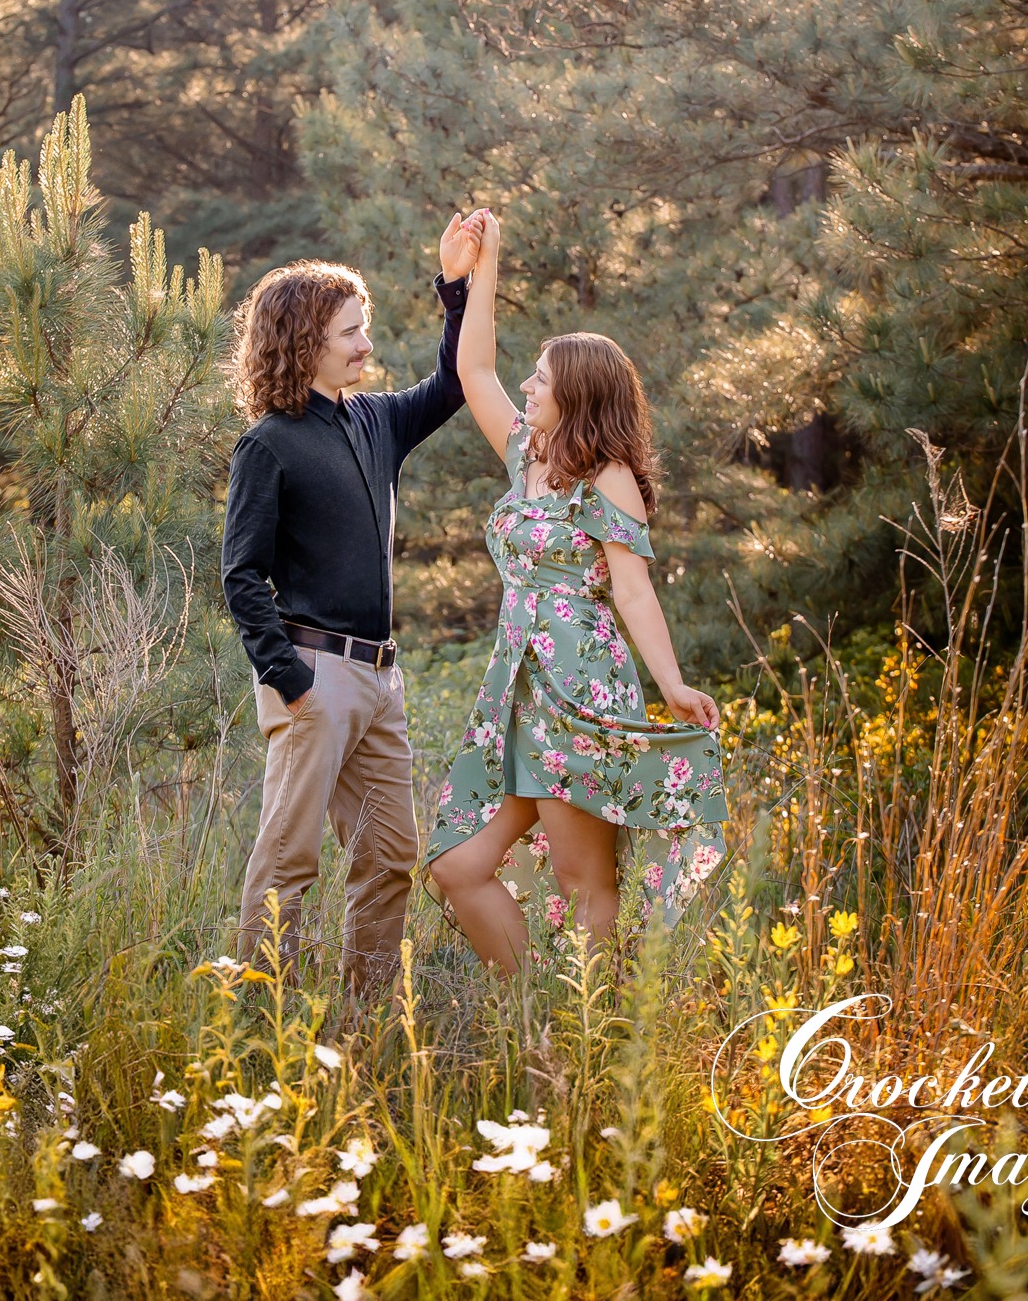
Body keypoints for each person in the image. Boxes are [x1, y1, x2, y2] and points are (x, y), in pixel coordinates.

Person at [425, 210, 726, 971]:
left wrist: (671, 682)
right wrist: (482, 265)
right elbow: (474, 371)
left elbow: (632, 593)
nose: (527, 385)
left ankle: (584, 1045)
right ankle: (534, 1010)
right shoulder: (526, 456)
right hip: (515, 691)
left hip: (580, 688)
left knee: (582, 884)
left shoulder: (609, 478)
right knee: (455, 866)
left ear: (577, 397)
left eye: (543, 380)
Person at [223, 214, 483, 992]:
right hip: (313, 677)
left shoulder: (374, 421)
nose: (365, 344)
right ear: (306, 341)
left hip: (380, 682)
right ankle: (258, 1027)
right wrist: (290, 681)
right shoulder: (268, 443)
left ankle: (362, 1025)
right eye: (350, 332)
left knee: (386, 858)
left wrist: (458, 288)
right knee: (287, 862)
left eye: (362, 328)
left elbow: (454, 382)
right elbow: (242, 575)